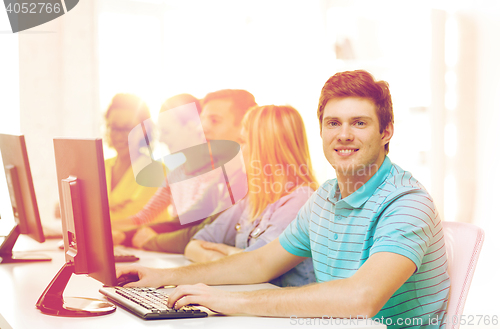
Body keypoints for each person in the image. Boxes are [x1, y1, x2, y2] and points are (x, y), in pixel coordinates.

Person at [117, 70, 450, 327]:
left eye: (359, 123)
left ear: (386, 131)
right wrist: (165, 278)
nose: (344, 134)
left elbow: (361, 298)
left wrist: (231, 301)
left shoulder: (406, 203)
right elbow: (260, 262)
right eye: (333, 122)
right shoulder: (325, 198)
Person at [185, 105, 318, 287]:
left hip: (288, 312)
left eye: (243, 141)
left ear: (265, 147)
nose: (239, 149)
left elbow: (257, 266)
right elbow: (195, 244)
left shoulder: (300, 201)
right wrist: (228, 258)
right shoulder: (255, 199)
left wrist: (232, 259)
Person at [113, 90, 257, 253]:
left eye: (214, 121)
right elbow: (186, 222)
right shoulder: (220, 179)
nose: (203, 129)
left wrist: (151, 241)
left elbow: (203, 234)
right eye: (203, 121)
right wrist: (125, 236)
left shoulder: (244, 179)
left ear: (245, 127)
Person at [103, 93, 169, 224]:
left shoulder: (156, 171)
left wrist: (98, 209)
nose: (119, 136)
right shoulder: (99, 167)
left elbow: (133, 219)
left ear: (143, 129)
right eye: (114, 128)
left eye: (128, 128)